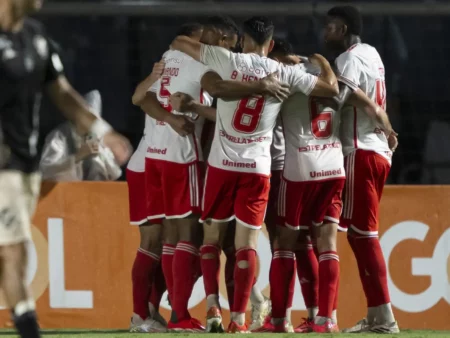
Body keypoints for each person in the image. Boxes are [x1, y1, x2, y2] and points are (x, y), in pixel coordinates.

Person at [170, 15, 340, 333]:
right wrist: (323, 63)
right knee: (247, 243)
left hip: (222, 164)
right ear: (271, 45)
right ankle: (238, 319)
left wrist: (208, 43)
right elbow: (329, 89)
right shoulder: (285, 73)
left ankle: (212, 310)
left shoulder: (226, 58)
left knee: (210, 239)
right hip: (258, 168)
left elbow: (178, 43)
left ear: (243, 40)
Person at [0, 1, 131, 338]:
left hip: (23, 166)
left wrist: (105, 132)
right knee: (14, 251)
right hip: (4, 167)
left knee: (12, 251)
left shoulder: (37, 38)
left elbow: (63, 93)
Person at [323, 5, 399, 334]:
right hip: (378, 151)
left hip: (360, 151)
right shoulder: (373, 54)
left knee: (365, 235)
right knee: (359, 234)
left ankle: (384, 318)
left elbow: (340, 96)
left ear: (342, 28)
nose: (326, 31)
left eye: (329, 26)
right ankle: (377, 314)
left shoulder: (348, 59)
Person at [128, 23, 201, 333]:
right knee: (160, 241)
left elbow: (140, 98)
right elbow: (139, 97)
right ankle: (143, 315)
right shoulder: (181, 64)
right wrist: (173, 118)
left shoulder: (169, 63)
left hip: (151, 159)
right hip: (154, 161)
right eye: (202, 39)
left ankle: (150, 312)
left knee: (166, 242)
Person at [40, 90, 122, 181]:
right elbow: (46, 170)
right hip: (63, 192)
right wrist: (77, 156)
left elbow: (116, 173)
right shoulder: (59, 137)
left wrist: (101, 155)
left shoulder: (97, 138)